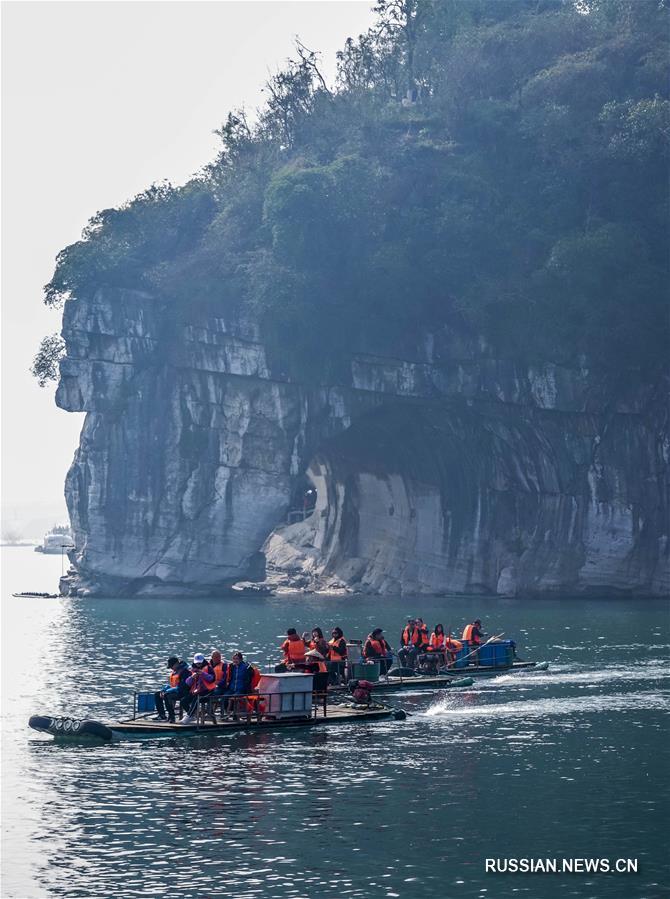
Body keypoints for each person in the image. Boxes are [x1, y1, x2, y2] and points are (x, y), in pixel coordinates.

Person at [153, 656, 190, 723]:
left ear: (176, 664)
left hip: (183, 692)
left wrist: (167, 691)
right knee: (157, 694)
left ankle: (172, 717)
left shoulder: (185, 672)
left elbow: (182, 686)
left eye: (171, 666)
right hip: (175, 691)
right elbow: (171, 685)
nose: (171, 668)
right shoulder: (175, 671)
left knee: (167, 695)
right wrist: (163, 690)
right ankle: (162, 715)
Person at [182, 653, 216, 724]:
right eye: (197, 663)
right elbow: (187, 683)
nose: (198, 664)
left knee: (197, 699)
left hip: (208, 691)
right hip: (197, 690)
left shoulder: (208, 668)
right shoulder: (192, 669)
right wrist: (192, 677)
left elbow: (212, 679)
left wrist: (203, 674)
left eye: (200, 663)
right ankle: (192, 714)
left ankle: (189, 716)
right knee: (184, 701)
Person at [221, 651, 254, 719]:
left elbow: (249, 679)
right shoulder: (232, 667)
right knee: (224, 697)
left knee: (234, 698)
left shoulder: (246, 667)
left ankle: (235, 715)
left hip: (241, 689)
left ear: (241, 659)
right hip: (232, 688)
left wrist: (246, 688)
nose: (235, 660)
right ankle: (226, 713)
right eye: (234, 659)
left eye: (237, 659)